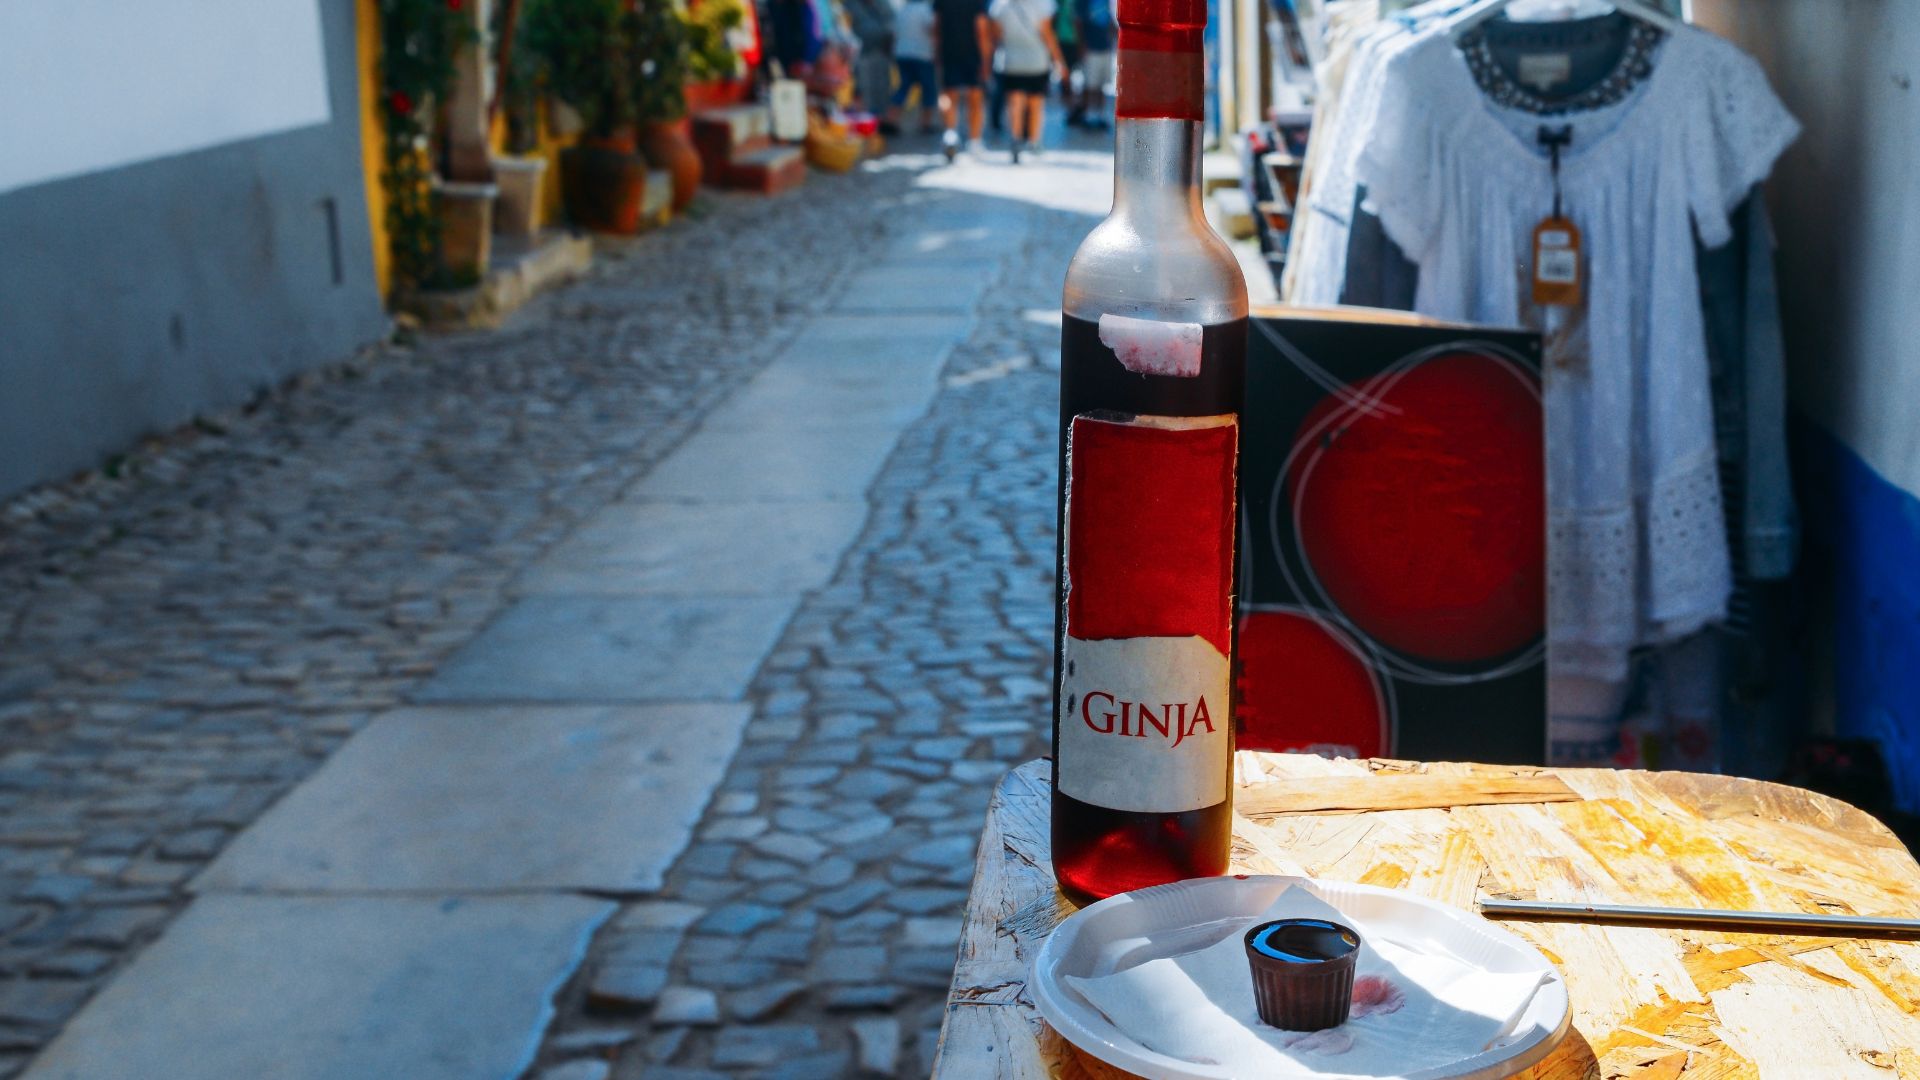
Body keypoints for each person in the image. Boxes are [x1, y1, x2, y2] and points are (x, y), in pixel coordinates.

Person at [986, 0, 1064, 162]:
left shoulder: (1000, 5)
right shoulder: (1043, 4)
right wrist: (1058, 60)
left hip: (1011, 58)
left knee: (1015, 101)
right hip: (1037, 59)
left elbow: (996, 34)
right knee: (1036, 101)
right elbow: (1047, 33)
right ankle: (1034, 141)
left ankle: (1016, 139)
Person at [933, 0, 994, 159]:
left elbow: (937, 26)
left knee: (948, 94)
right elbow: (981, 29)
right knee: (975, 97)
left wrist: (937, 52)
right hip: (972, 54)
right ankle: (974, 140)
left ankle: (950, 133)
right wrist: (986, 59)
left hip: (949, 51)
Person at [889, 0, 941, 134]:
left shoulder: (902, 10)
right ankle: (926, 123)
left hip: (902, 53)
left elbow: (895, 32)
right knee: (928, 89)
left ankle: (892, 119)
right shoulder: (925, 10)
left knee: (903, 87)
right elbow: (933, 28)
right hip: (922, 54)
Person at [1073, 0, 1114, 129]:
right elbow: (1078, 22)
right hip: (1090, 47)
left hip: (1105, 47)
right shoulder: (1083, 3)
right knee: (1090, 84)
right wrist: (1081, 45)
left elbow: (1109, 20)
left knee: (1102, 83)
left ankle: (1101, 115)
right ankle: (1089, 115)